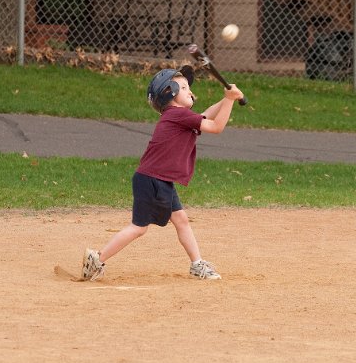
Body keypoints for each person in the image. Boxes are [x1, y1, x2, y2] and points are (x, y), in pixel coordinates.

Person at [81, 65, 245, 281]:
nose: (190, 91)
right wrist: (230, 100)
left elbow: (205, 115)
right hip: (153, 179)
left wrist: (226, 99)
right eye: (184, 88)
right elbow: (215, 126)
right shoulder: (178, 115)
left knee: (181, 220)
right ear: (171, 94)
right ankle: (97, 259)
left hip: (159, 178)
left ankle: (197, 264)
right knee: (139, 228)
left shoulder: (179, 116)